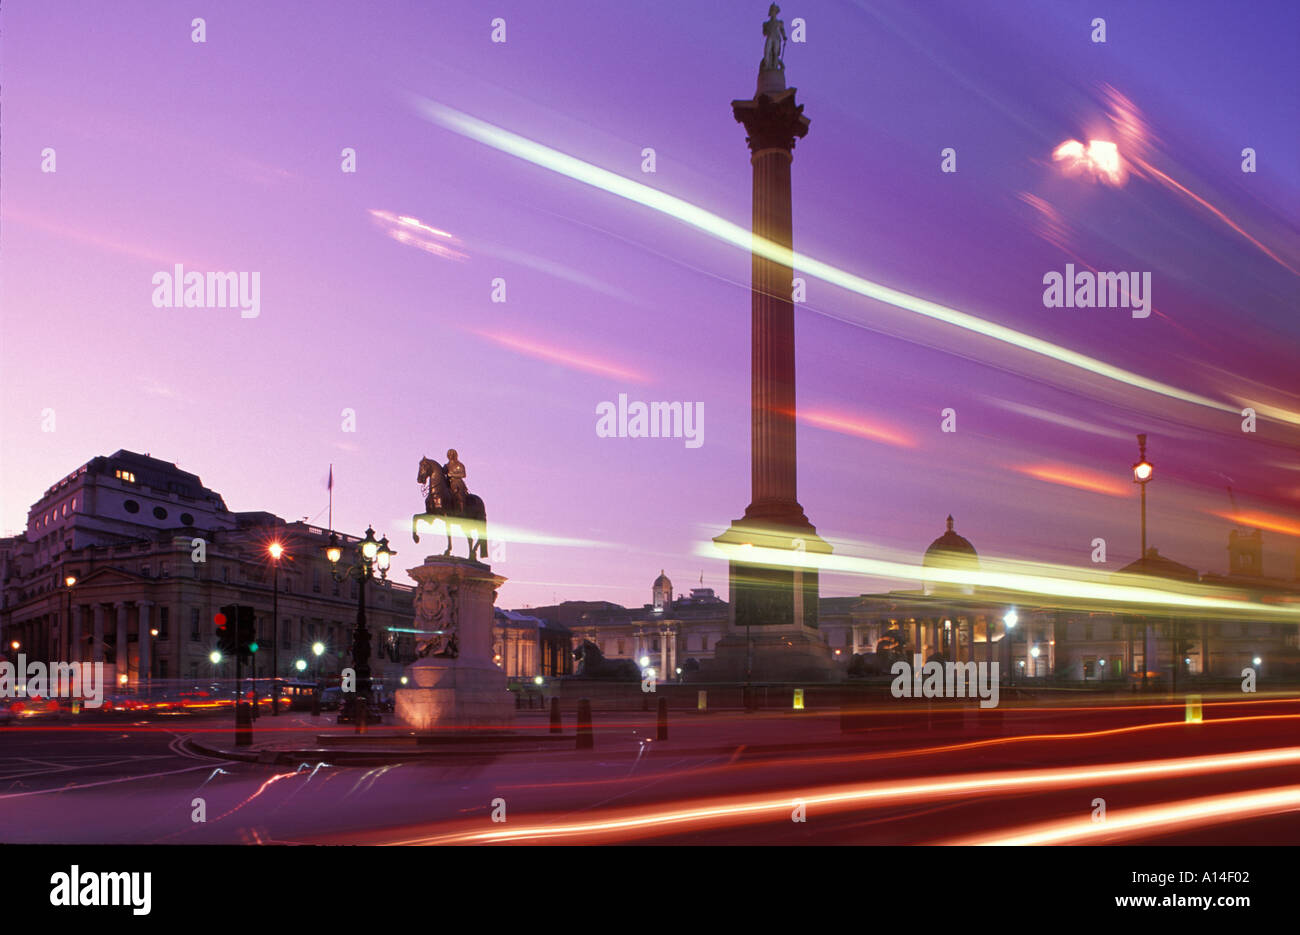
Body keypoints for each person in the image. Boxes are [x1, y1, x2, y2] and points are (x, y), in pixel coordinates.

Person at [444, 449, 467, 514]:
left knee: (459, 495)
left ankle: (462, 511)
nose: (450, 456)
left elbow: (463, 475)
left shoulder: (459, 465)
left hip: (457, 482)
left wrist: (452, 474)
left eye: (452, 454)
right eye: (449, 454)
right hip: (448, 482)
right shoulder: (446, 465)